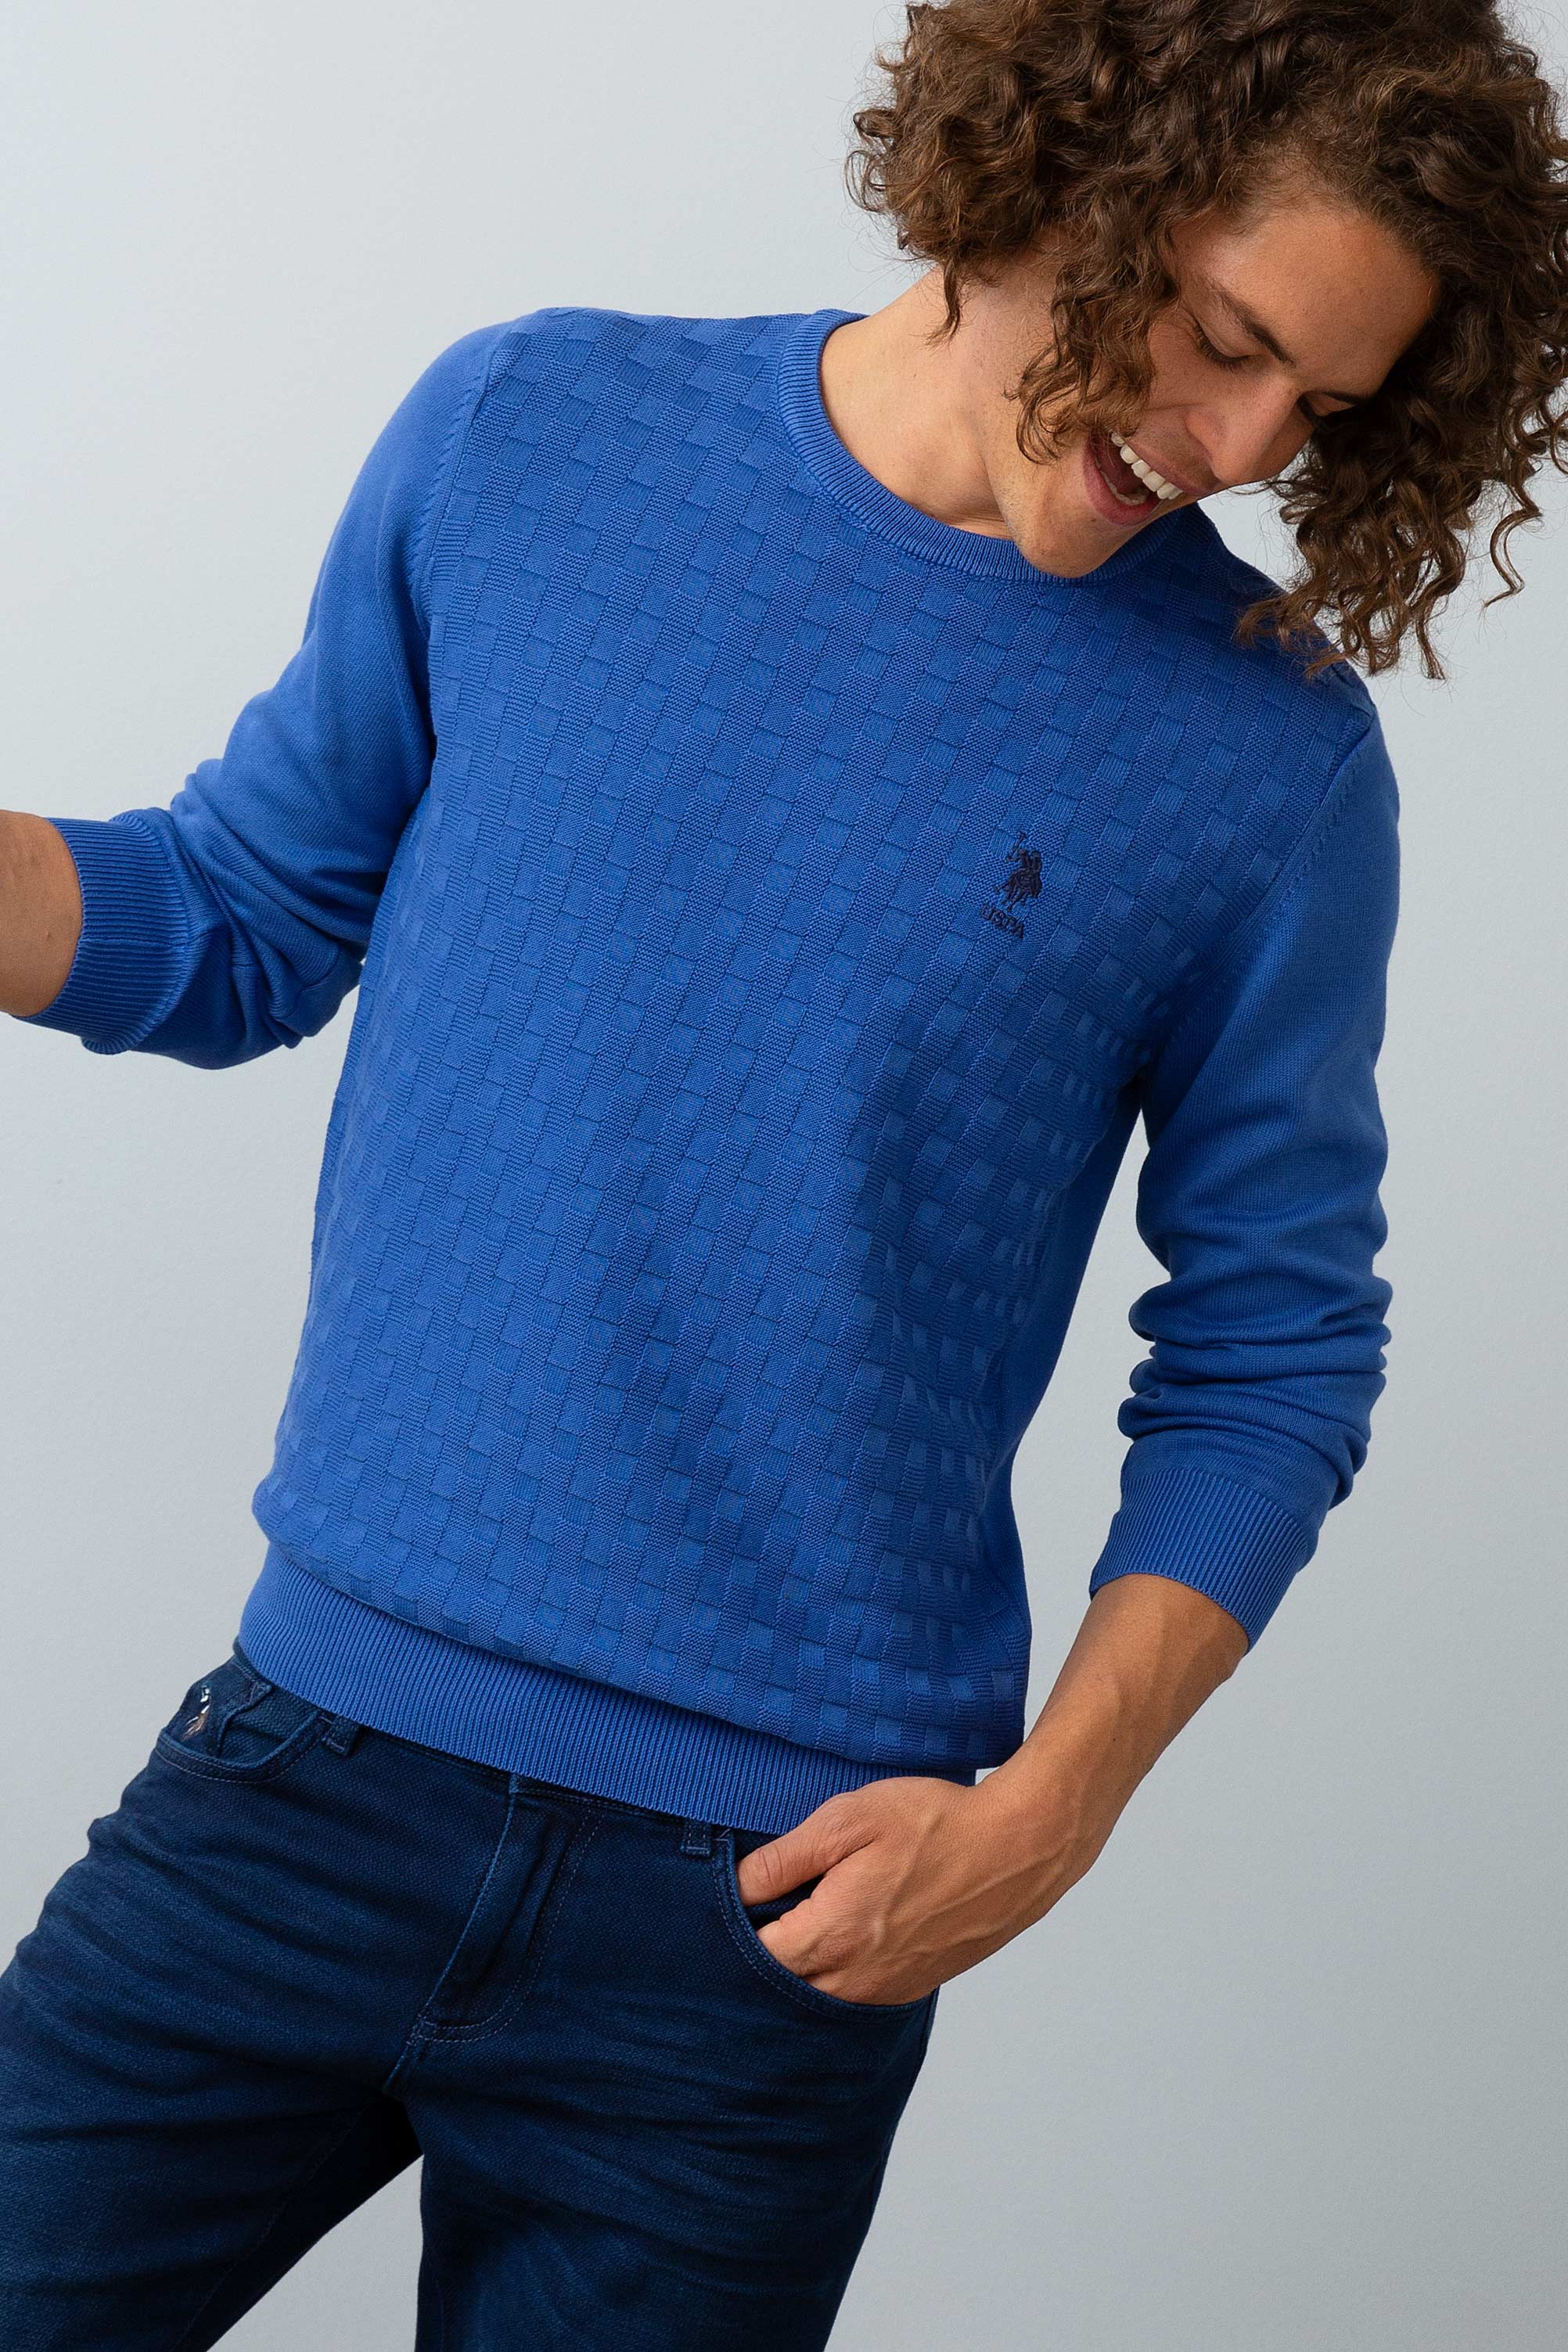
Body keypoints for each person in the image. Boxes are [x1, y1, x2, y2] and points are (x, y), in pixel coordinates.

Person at [2, 1, 1564, 2343]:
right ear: (1064, 172)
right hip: (299, 1789)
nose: (1241, 443)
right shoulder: (531, 434)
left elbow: (1272, 1353)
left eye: (1316, 408)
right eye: (1226, 338)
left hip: (762, 1939)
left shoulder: (1269, 762)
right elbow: (237, 917)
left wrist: (1049, 1814)